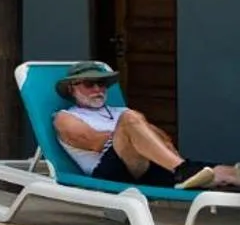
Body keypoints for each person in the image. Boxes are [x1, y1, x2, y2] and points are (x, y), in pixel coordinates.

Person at [52, 61, 235, 190]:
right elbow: (94, 142)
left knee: (227, 172)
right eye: (89, 84)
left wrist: (141, 136)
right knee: (131, 117)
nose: (98, 89)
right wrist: (133, 133)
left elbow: (165, 141)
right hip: (110, 171)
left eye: (101, 84)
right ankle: (182, 170)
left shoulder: (118, 112)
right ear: (72, 88)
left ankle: (184, 171)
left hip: (149, 166)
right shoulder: (65, 117)